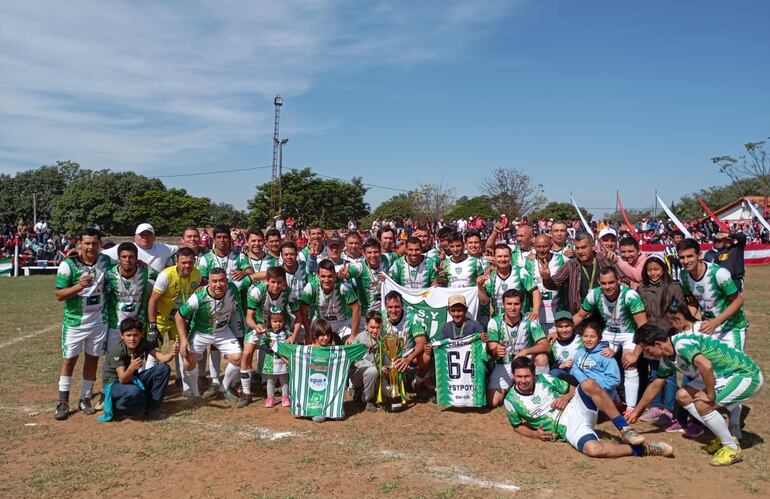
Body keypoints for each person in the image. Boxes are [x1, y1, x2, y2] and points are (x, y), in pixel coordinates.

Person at [630, 324, 763, 466]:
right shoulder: (666, 359)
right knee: (682, 395)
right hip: (721, 376)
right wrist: (636, 411)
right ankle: (725, 436)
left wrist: (710, 395)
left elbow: (706, 366)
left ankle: (732, 448)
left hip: (745, 375)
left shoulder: (682, 345)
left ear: (658, 344)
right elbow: (657, 384)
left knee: (703, 404)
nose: (647, 354)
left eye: (647, 350)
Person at [504, 357, 673, 459]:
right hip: (566, 429)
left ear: (534, 374)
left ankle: (625, 428)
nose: (523, 380)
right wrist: (535, 434)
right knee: (593, 449)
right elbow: (517, 426)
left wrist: (565, 396)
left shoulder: (546, 379)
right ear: (513, 375)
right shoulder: (511, 400)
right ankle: (643, 449)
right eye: (519, 376)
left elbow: (571, 390)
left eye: (527, 376)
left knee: (588, 384)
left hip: (575, 409)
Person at [677, 237, 749, 436]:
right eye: (681, 257)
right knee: (711, 369)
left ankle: (734, 422)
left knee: (732, 372)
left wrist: (717, 322)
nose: (685, 260)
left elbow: (738, 301)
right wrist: (688, 324)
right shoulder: (684, 277)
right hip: (709, 327)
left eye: (690, 256)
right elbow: (693, 303)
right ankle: (711, 416)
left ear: (699, 255)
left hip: (732, 327)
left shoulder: (720, 274)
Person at [53, 228, 113, 421]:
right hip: (75, 322)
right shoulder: (67, 265)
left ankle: (85, 398)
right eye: (86, 243)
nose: (90, 247)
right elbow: (59, 295)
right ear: (79, 244)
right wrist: (79, 286)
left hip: (99, 321)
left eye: (94, 243)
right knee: (70, 360)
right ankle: (62, 402)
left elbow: (125, 258)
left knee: (92, 358)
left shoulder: (106, 261)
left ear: (99, 244)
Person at [572, 267, 647, 415]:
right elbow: (580, 316)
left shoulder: (630, 296)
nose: (607, 287)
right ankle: (611, 399)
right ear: (599, 282)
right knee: (594, 360)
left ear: (618, 281)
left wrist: (635, 354)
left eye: (611, 283)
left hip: (629, 333)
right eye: (604, 283)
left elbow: (643, 327)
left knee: (629, 363)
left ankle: (630, 408)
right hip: (608, 333)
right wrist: (561, 331)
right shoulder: (595, 294)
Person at [277, 319, 366, 423]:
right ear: (315, 335)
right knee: (319, 419)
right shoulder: (307, 350)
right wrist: (288, 360)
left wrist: (365, 347)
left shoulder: (336, 350)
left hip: (329, 393)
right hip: (312, 395)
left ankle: (330, 408)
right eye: (322, 335)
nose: (326, 338)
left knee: (339, 415)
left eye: (328, 335)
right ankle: (312, 410)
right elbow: (287, 356)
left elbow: (354, 352)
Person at [176, 268, 243, 404]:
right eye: (215, 281)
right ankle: (195, 394)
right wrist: (183, 340)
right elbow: (179, 316)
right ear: (209, 282)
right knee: (189, 362)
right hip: (201, 332)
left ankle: (224, 388)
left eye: (222, 281)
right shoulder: (198, 297)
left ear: (227, 280)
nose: (219, 285)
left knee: (238, 358)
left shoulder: (233, 289)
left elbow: (254, 277)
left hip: (223, 331)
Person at [635, 255, 684, 426]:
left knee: (669, 375)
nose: (652, 273)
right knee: (653, 372)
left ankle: (668, 409)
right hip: (650, 337)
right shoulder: (642, 288)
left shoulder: (673, 287)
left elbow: (681, 309)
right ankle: (654, 406)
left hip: (667, 336)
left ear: (663, 269)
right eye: (649, 270)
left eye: (656, 269)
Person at [98, 318, 178, 421]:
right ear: (122, 336)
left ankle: (152, 409)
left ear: (140, 334)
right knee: (134, 392)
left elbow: (161, 358)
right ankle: (118, 407)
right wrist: (132, 367)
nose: (132, 339)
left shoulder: (143, 342)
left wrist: (172, 353)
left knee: (163, 368)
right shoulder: (117, 350)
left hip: (132, 379)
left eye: (135, 335)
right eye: (128, 335)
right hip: (115, 384)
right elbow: (122, 379)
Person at [146, 247, 201, 392]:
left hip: (180, 319)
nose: (187, 266)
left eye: (190, 262)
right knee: (153, 351)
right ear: (176, 261)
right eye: (183, 263)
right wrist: (152, 326)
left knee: (184, 350)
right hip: (161, 319)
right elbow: (153, 301)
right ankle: (146, 388)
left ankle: (187, 388)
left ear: (194, 261)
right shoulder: (166, 275)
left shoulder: (197, 274)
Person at [486, 289, 550, 407]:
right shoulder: (494, 322)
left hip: (525, 363)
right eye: (509, 304)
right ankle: (513, 389)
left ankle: (541, 390)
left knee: (542, 357)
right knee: (493, 402)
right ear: (503, 305)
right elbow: (492, 353)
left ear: (522, 304)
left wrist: (526, 351)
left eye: (516, 304)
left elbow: (546, 346)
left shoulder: (530, 320)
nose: (513, 307)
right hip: (504, 365)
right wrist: (496, 351)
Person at [539, 232, 616, 315]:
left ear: (593, 246)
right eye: (577, 248)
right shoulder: (571, 265)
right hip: (580, 315)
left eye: (583, 247)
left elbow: (622, 281)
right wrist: (546, 278)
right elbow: (554, 284)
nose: (580, 251)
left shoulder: (605, 261)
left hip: (604, 313)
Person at [299, 259, 361, 343]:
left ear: (335, 275)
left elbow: (356, 309)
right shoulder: (310, 287)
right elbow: (303, 310)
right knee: (313, 347)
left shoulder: (343, 287)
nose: (326, 280)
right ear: (318, 276)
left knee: (351, 345)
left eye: (330, 276)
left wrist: (353, 335)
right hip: (321, 323)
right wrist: (308, 332)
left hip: (342, 324)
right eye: (323, 276)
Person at [105, 242, 151, 353]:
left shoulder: (146, 271)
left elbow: (164, 278)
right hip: (115, 325)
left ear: (137, 258)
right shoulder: (109, 273)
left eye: (131, 257)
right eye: (124, 257)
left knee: (138, 360)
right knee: (114, 358)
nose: (128, 260)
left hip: (137, 324)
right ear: (118, 258)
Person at [477, 244, 540, 320]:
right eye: (499, 256)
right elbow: (484, 302)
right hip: (499, 322)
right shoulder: (491, 277)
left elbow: (535, 291)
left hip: (520, 320)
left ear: (510, 257)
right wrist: (480, 286)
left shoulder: (520, 272)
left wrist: (535, 312)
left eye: (506, 256)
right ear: (494, 258)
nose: (503, 259)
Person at [102, 223, 177, 282]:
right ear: (135, 237)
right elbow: (101, 255)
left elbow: (179, 249)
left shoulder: (164, 248)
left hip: (156, 288)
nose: (145, 237)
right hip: (135, 288)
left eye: (149, 235)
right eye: (142, 235)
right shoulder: (125, 248)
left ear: (154, 237)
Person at [569, 322, 621, 399]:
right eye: (585, 336)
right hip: (582, 386)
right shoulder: (580, 352)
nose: (588, 340)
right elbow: (574, 368)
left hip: (601, 393)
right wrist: (583, 381)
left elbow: (614, 380)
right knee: (557, 373)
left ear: (599, 338)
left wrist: (592, 386)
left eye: (592, 337)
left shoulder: (605, 355)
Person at [342, 238, 389, 313]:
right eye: (369, 252)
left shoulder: (385, 260)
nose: (373, 255)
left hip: (384, 311)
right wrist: (342, 275)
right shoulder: (360, 266)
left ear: (380, 252)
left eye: (376, 252)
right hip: (366, 314)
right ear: (364, 254)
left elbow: (400, 253)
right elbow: (347, 274)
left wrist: (388, 277)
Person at [350, 310, 382, 413]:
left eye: (378, 327)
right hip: (358, 374)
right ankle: (367, 400)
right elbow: (354, 361)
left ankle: (364, 392)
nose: (375, 331)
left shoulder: (384, 338)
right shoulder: (360, 338)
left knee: (387, 390)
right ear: (366, 325)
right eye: (372, 327)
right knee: (372, 371)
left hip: (377, 373)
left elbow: (386, 357)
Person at [260, 306, 291, 408]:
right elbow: (262, 345)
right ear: (269, 321)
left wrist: (289, 343)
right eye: (275, 321)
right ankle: (270, 398)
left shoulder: (286, 333)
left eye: (280, 321)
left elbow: (291, 343)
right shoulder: (267, 334)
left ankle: (285, 398)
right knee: (271, 381)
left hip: (283, 362)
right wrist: (268, 348)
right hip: (271, 361)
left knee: (284, 380)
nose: (278, 324)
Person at [548, 311, 582, 377]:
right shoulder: (551, 343)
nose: (564, 330)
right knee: (554, 372)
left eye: (567, 326)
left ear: (573, 324)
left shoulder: (582, 340)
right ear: (555, 326)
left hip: (581, 376)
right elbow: (547, 367)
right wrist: (560, 366)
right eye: (560, 327)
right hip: (562, 377)